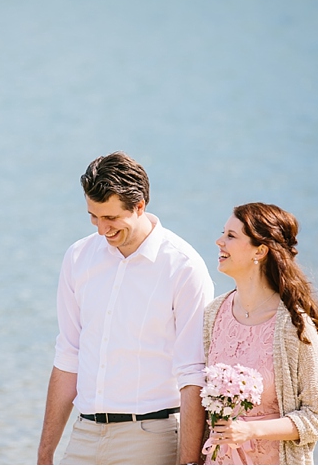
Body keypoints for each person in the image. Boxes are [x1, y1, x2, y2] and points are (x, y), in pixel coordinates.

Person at [37, 151, 216, 465]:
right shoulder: (78, 257)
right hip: (84, 435)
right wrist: (45, 453)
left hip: (151, 437)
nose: (102, 229)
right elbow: (68, 355)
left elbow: (193, 374)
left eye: (110, 218)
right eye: (94, 217)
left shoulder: (183, 267)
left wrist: (189, 463)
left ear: (139, 206)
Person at [201, 202, 318, 465]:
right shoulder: (214, 313)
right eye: (222, 233)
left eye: (231, 236)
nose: (219, 241)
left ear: (259, 251)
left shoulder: (293, 325)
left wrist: (250, 430)